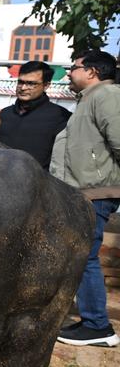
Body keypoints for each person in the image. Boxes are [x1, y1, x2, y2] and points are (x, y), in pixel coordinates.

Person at [50, 49, 120, 348]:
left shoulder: (107, 97)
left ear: (91, 72)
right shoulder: (89, 99)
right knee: (80, 256)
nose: (69, 73)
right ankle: (90, 322)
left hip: (96, 192)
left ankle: (98, 326)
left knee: (86, 258)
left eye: (74, 67)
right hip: (83, 192)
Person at [0, 60, 72, 169]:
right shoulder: (4, 114)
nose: (23, 88)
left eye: (31, 83)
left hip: (38, 182)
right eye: (20, 82)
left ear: (46, 85)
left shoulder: (60, 117)